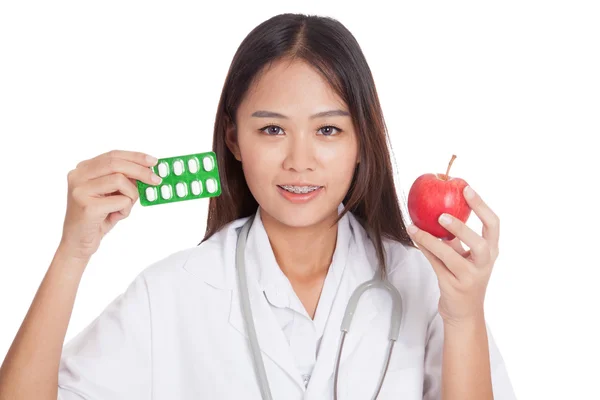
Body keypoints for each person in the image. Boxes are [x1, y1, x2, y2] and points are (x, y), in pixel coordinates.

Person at [0, 13, 516, 400]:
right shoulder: (172, 292)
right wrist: (73, 252)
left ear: (363, 142)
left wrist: (465, 316)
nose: (299, 160)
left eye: (328, 130)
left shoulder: (422, 281)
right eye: (272, 129)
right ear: (234, 138)